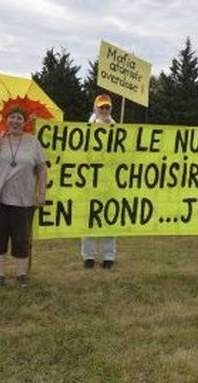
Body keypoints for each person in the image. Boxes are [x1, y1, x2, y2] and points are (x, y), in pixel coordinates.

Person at [0, 106, 47, 288]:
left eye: (18, 118)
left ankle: (21, 274)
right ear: (6, 120)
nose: (15, 121)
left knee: (21, 238)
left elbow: (41, 168)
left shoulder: (33, 142)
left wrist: (41, 193)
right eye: (11, 117)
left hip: (23, 198)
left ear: (24, 122)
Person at [81, 94, 117, 269]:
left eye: (107, 107)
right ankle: (88, 255)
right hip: (90, 179)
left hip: (111, 180)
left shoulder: (117, 127)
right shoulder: (87, 128)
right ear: (95, 108)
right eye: (101, 107)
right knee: (88, 217)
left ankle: (109, 256)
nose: (104, 110)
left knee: (109, 217)